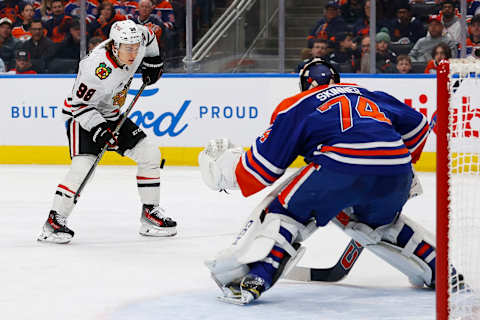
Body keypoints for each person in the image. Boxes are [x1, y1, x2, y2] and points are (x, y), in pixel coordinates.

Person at [199, 58, 434, 304]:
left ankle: (261, 273)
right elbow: (418, 126)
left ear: (305, 84)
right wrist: (391, 162)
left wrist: (225, 171)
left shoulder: (297, 104)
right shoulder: (370, 94)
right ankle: (437, 266)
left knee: (285, 210)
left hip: (339, 167)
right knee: (379, 224)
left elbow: (263, 169)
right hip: (398, 172)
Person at [37, 20, 177, 244]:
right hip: (81, 115)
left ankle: (150, 213)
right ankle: (54, 220)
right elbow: (79, 105)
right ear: (114, 46)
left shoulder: (137, 39)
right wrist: (99, 129)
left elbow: (149, 36)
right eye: (128, 48)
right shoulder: (95, 67)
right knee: (84, 167)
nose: (133, 53)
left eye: (135, 48)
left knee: (150, 155)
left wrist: (154, 60)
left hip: (111, 113)